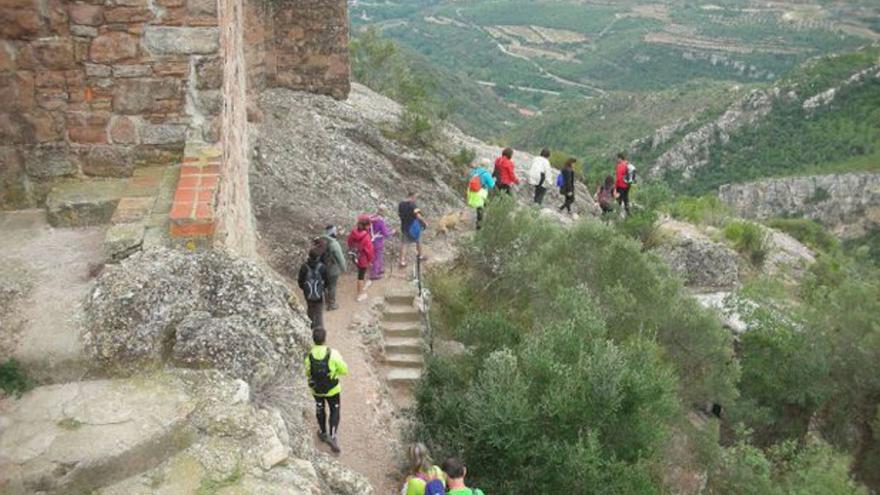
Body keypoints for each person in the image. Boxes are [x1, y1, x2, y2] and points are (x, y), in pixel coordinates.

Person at [304, 326, 348, 454]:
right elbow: (344, 370)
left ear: (313, 339)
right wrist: (334, 373)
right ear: (325, 339)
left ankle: (323, 433)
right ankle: (333, 436)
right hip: (332, 389)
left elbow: (307, 372)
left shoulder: (309, 355)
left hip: (316, 390)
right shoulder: (333, 353)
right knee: (335, 409)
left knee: (320, 408)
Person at [315, 225, 346, 311]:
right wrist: (343, 268)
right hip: (332, 269)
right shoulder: (334, 244)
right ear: (333, 233)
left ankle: (325, 300)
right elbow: (340, 258)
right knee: (332, 286)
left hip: (321, 268)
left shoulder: (320, 240)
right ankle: (331, 304)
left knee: (325, 284)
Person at [297, 248, 329, 329]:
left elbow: (300, 281)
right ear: (318, 257)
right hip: (319, 294)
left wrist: (305, 289)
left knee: (310, 308)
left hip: (308, 293)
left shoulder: (304, 267)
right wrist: (322, 288)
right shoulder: (322, 267)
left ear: (309, 256)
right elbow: (327, 281)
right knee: (318, 311)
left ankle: (310, 325)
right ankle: (319, 329)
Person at [347, 214, 375, 302]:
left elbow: (349, 242)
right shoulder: (366, 237)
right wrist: (370, 261)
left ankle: (360, 291)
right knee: (361, 276)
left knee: (360, 274)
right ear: (366, 225)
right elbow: (369, 251)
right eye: (369, 225)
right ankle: (360, 295)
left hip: (355, 256)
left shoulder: (353, 232)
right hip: (363, 259)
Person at [398, 192, 427, 268]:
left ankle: (402, 261)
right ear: (412, 196)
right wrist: (424, 222)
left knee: (404, 244)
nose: (415, 199)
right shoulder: (412, 205)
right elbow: (418, 216)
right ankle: (420, 255)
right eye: (415, 197)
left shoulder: (401, 204)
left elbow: (400, 214)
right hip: (413, 226)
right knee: (419, 240)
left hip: (404, 226)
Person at [468, 160, 495, 230]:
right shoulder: (486, 174)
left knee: (477, 206)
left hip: (472, 191)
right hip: (481, 192)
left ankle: (477, 221)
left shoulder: (474, 171)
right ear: (487, 166)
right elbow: (492, 185)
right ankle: (479, 226)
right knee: (481, 208)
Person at [369, 206, 393, 281]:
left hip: (372, 239)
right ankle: (374, 273)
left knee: (376, 256)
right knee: (377, 257)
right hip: (378, 241)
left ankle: (378, 269)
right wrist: (391, 232)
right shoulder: (381, 221)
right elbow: (385, 233)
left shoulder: (372, 219)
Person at [614, 152, 636, 217]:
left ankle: (617, 215)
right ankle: (628, 214)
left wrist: (615, 187)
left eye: (617, 159)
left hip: (621, 185)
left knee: (619, 201)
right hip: (628, 185)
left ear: (620, 158)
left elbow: (618, 177)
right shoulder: (628, 164)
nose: (617, 160)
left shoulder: (620, 165)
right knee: (626, 199)